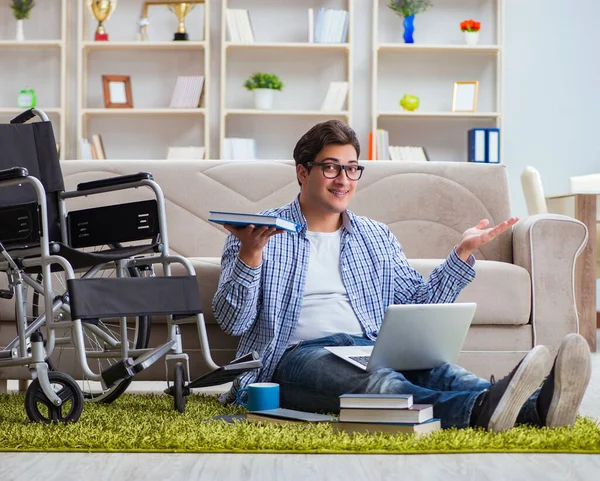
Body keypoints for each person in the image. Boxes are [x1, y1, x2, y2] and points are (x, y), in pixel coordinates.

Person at [212, 119, 592, 432]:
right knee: (382, 386)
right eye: (330, 167)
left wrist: (462, 253)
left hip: (368, 346)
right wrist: (250, 255)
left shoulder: (375, 236)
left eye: (351, 168)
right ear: (303, 172)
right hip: (296, 358)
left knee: (445, 373)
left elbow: (418, 305)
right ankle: (484, 410)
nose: (343, 179)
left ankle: (535, 409)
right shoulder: (257, 233)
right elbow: (233, 322)